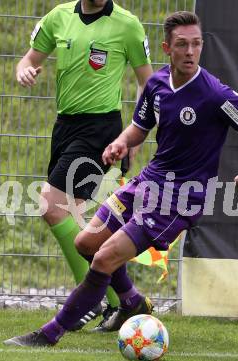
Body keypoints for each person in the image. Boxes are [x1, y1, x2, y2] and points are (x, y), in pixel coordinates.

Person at [4, 10, 238, 347]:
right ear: (166, 48)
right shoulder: (157, 84)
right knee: (86, 243)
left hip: (179, 198)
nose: (190, 52)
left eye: (196, 44)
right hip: (147, 183)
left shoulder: (215, 95)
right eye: (182, 45)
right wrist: (120, 143)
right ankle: (131, 302)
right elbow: (139, 129)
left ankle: (50, 333)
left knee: (104, 258)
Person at [16, 0, 153, 330]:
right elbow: (29, 59)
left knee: (51, 205)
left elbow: (147, 83)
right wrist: (24, 69)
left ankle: (90, 297)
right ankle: (126, 299)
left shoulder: (127, 24)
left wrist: (131, 136)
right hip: (64, 126)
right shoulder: (58, 17)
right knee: (72, 216)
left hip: (100, 128)